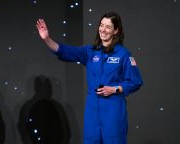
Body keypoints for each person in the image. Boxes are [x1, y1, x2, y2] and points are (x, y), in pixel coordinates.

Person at [36, 12, 143, 144]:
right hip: (93, 111)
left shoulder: (123, 54)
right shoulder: (90, 52)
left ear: (116, 30)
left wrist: (114, 89)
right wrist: (47, 39)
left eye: (108, 27)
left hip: (113, 110)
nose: (103, 30)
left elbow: (135, 81)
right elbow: (65, 51)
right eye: (101, 25)